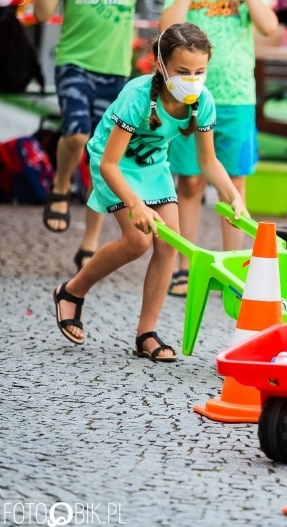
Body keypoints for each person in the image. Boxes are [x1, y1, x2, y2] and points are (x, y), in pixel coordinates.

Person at [51, 23, 248, 362]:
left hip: (153, 167)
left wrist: (234, 197)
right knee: (137, 241)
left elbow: (208, 161)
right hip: (114, 163)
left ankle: (146, 333)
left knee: (169, 243)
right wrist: (135, 204)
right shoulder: (138, 96)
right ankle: (72, 291)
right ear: (160, 65)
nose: (192, 80)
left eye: (199, 72)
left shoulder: (203, 101)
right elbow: (109, 164)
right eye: (182, 71)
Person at [159, 0, 278, 297]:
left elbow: (269, 26)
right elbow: (166, 29)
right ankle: (185, 266)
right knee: (189, 182)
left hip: (237, 97)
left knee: (234, 184)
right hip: (190, 96)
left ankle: (233, 269)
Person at [34, 0, 137, 272]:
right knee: (77, 133)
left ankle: (90, 241)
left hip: (115, 72)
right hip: (74, 63)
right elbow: (42, 14)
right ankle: (61, 184)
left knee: (104, 156)